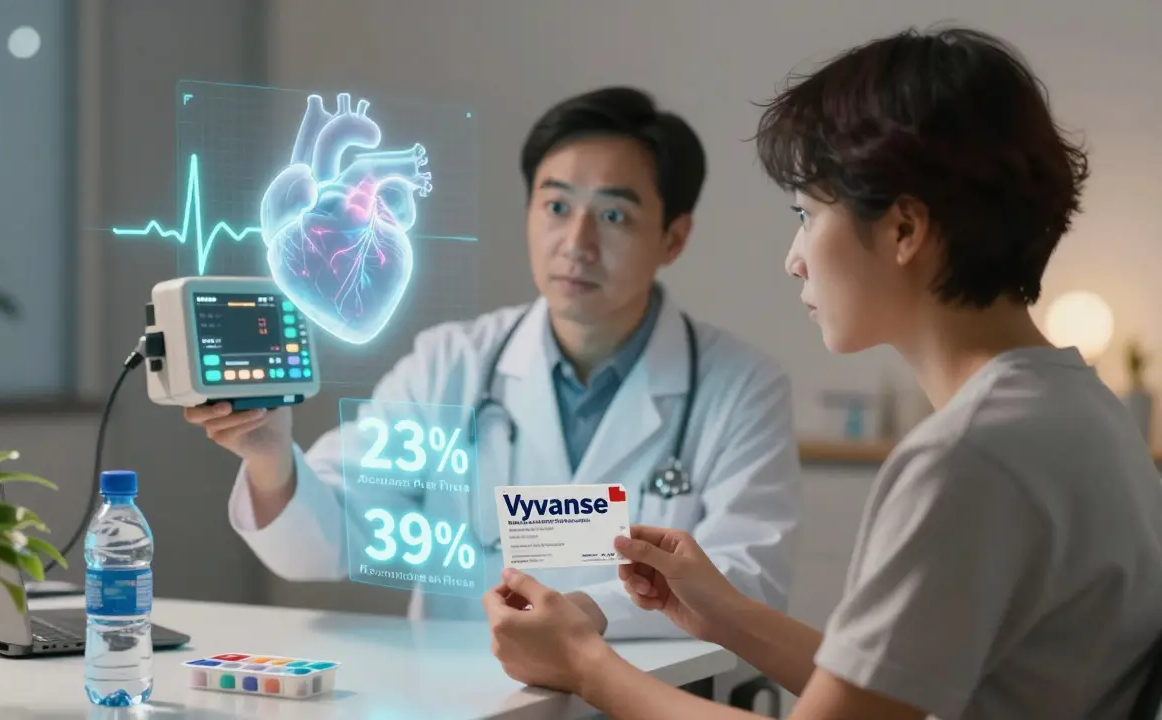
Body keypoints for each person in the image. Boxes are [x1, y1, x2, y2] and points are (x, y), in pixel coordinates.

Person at [484, 26, 1162, 719]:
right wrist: (725, 614)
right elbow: (881, 696)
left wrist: (585, 665)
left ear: (903, 230)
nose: (795, 258)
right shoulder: (1082, 411)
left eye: (806, 214)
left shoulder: (968, 458)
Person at [186, 86, 802, 639]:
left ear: (674, 237)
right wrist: (270, 456)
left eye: (613, 215)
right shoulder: (449, 365)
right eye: (556, 207)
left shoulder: (741, 388)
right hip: (471, 700)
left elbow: (747, 581)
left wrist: (589, 612)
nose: (577, 243)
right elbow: (325, 541)